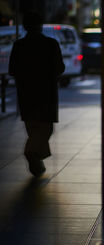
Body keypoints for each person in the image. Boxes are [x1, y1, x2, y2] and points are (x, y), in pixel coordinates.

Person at [8, 11, 65, 177]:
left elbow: (12, 69)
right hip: (46, 93)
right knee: (46, 129)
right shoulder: (51, 44)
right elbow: (59, 68)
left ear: (25, 26)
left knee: (33, 128)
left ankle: (36, 160)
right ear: (41, 26)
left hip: (26, 94)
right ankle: (32, 153)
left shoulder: (19, 45)